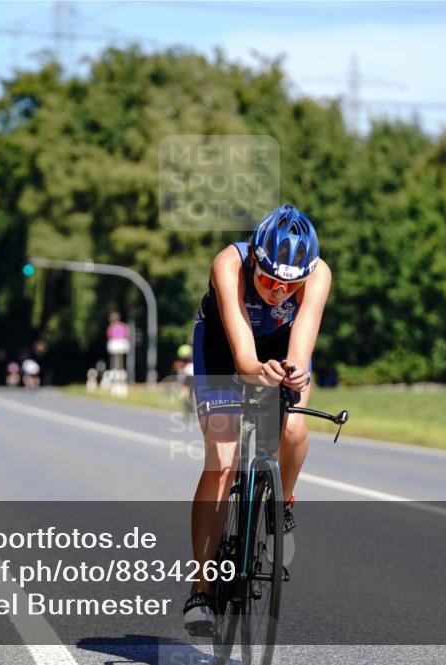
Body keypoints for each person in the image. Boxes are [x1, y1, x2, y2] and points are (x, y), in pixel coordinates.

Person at [182, 204, 331, 636]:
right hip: (223, 346)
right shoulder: (228, 265)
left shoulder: (318, 275)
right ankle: (201, 589)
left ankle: (282, 503)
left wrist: (294, 373)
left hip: (280, 344)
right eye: (267, 279)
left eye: (289, 285)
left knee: (294, 426)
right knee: (223, 459)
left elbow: (300, 348)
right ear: (254, 261)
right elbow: (245, 357)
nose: (277, 291)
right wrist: (255, 370)